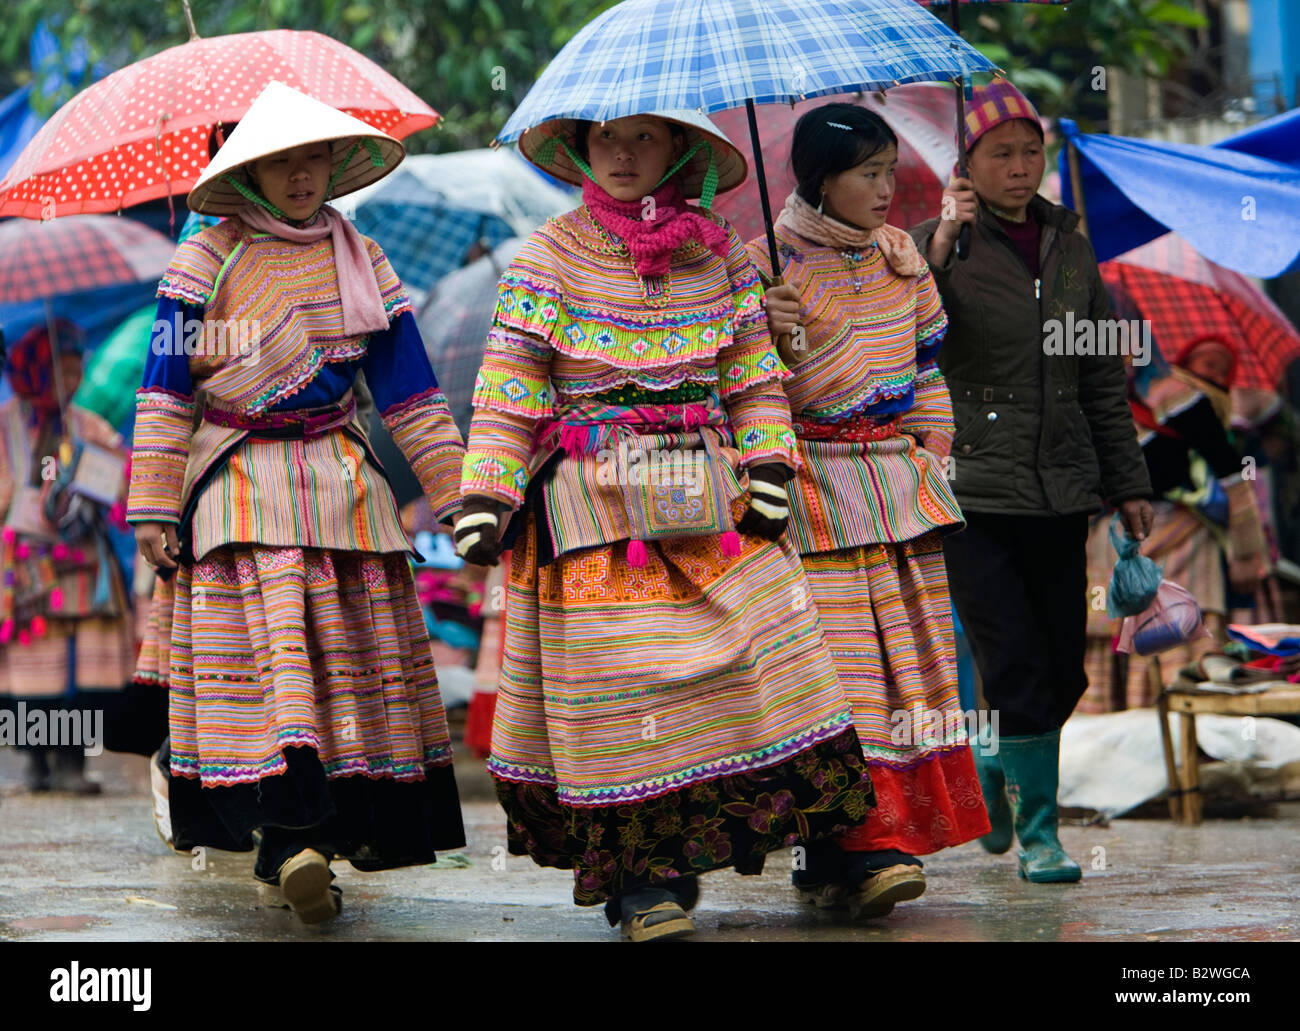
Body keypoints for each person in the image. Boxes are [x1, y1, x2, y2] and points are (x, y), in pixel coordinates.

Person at [454, 109, 873, 941]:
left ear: (680, 150)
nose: (620, 153)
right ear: (579, 147)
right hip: (597, 506)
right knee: (632, 689)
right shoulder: (546, 256)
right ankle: (646, 883)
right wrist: (486, 498)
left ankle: (837, 851)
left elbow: (753, 377)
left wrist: (770, 467)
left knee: (780, 647)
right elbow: (509, 386)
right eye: (604, 138)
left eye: (642, 138)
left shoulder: (719, 254)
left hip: (713, 499)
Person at [126, 82, 467, 924]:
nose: (299, 175)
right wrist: (153, 506)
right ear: (244, 170)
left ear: (335, 162)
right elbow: (165, 391)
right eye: (278, 160)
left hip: (344, 489)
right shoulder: (200, 262)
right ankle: (286, 836)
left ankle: (311, 839)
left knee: (342, 669)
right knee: (275, 669)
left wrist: (464, 497)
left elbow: (412, 393)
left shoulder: (364, 259)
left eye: (311, 156)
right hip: (240, 490)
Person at [909, 80, 1153, 883]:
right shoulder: (933, 245)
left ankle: (995, 763)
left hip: (1062, 491)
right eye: (1000, 154)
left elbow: (1100, 381)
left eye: (1029, 152)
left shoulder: (1073, 248)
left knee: (1065, 666)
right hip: (971, 490)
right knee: (1012, 661)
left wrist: (1130, 485)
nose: (1020, 168)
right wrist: (942, 244)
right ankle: (1041, 835)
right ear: (966, 163)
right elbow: (913, 347)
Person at [754, 104, 990, 917]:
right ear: (821, 178)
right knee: (838, 681)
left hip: (896, 490)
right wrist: (763, 332)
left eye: (892, 171)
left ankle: (858, 852)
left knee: (907, 677)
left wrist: (931, 449)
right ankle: (850, 846)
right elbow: (741, 392)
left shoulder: (903, 262)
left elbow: (928, 372)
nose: (888, 190)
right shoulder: (761, 267)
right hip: (810, 494)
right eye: (870, 174)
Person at [1081, 336, 1266, 710]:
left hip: (1170, 538)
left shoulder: (1178, 398)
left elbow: (1229, 469)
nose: (1212, 372)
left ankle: (1167, 727)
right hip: (1122, 538)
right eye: (1205, 362)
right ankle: (1139, 726)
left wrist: (1247, 550)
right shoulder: (1102, 402)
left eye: (1220, 367)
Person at [0, 321, 136, 793]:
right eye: (61, 372)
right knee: (33, 663)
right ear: (34, 371)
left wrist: (98, 475)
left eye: (77, 372)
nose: (71, 383)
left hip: (81, 564)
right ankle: (36, 760)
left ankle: (73, 763)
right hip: (26, 567)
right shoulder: (5, 424)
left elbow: (122, 481)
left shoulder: (86, 425)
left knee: (80, 667)